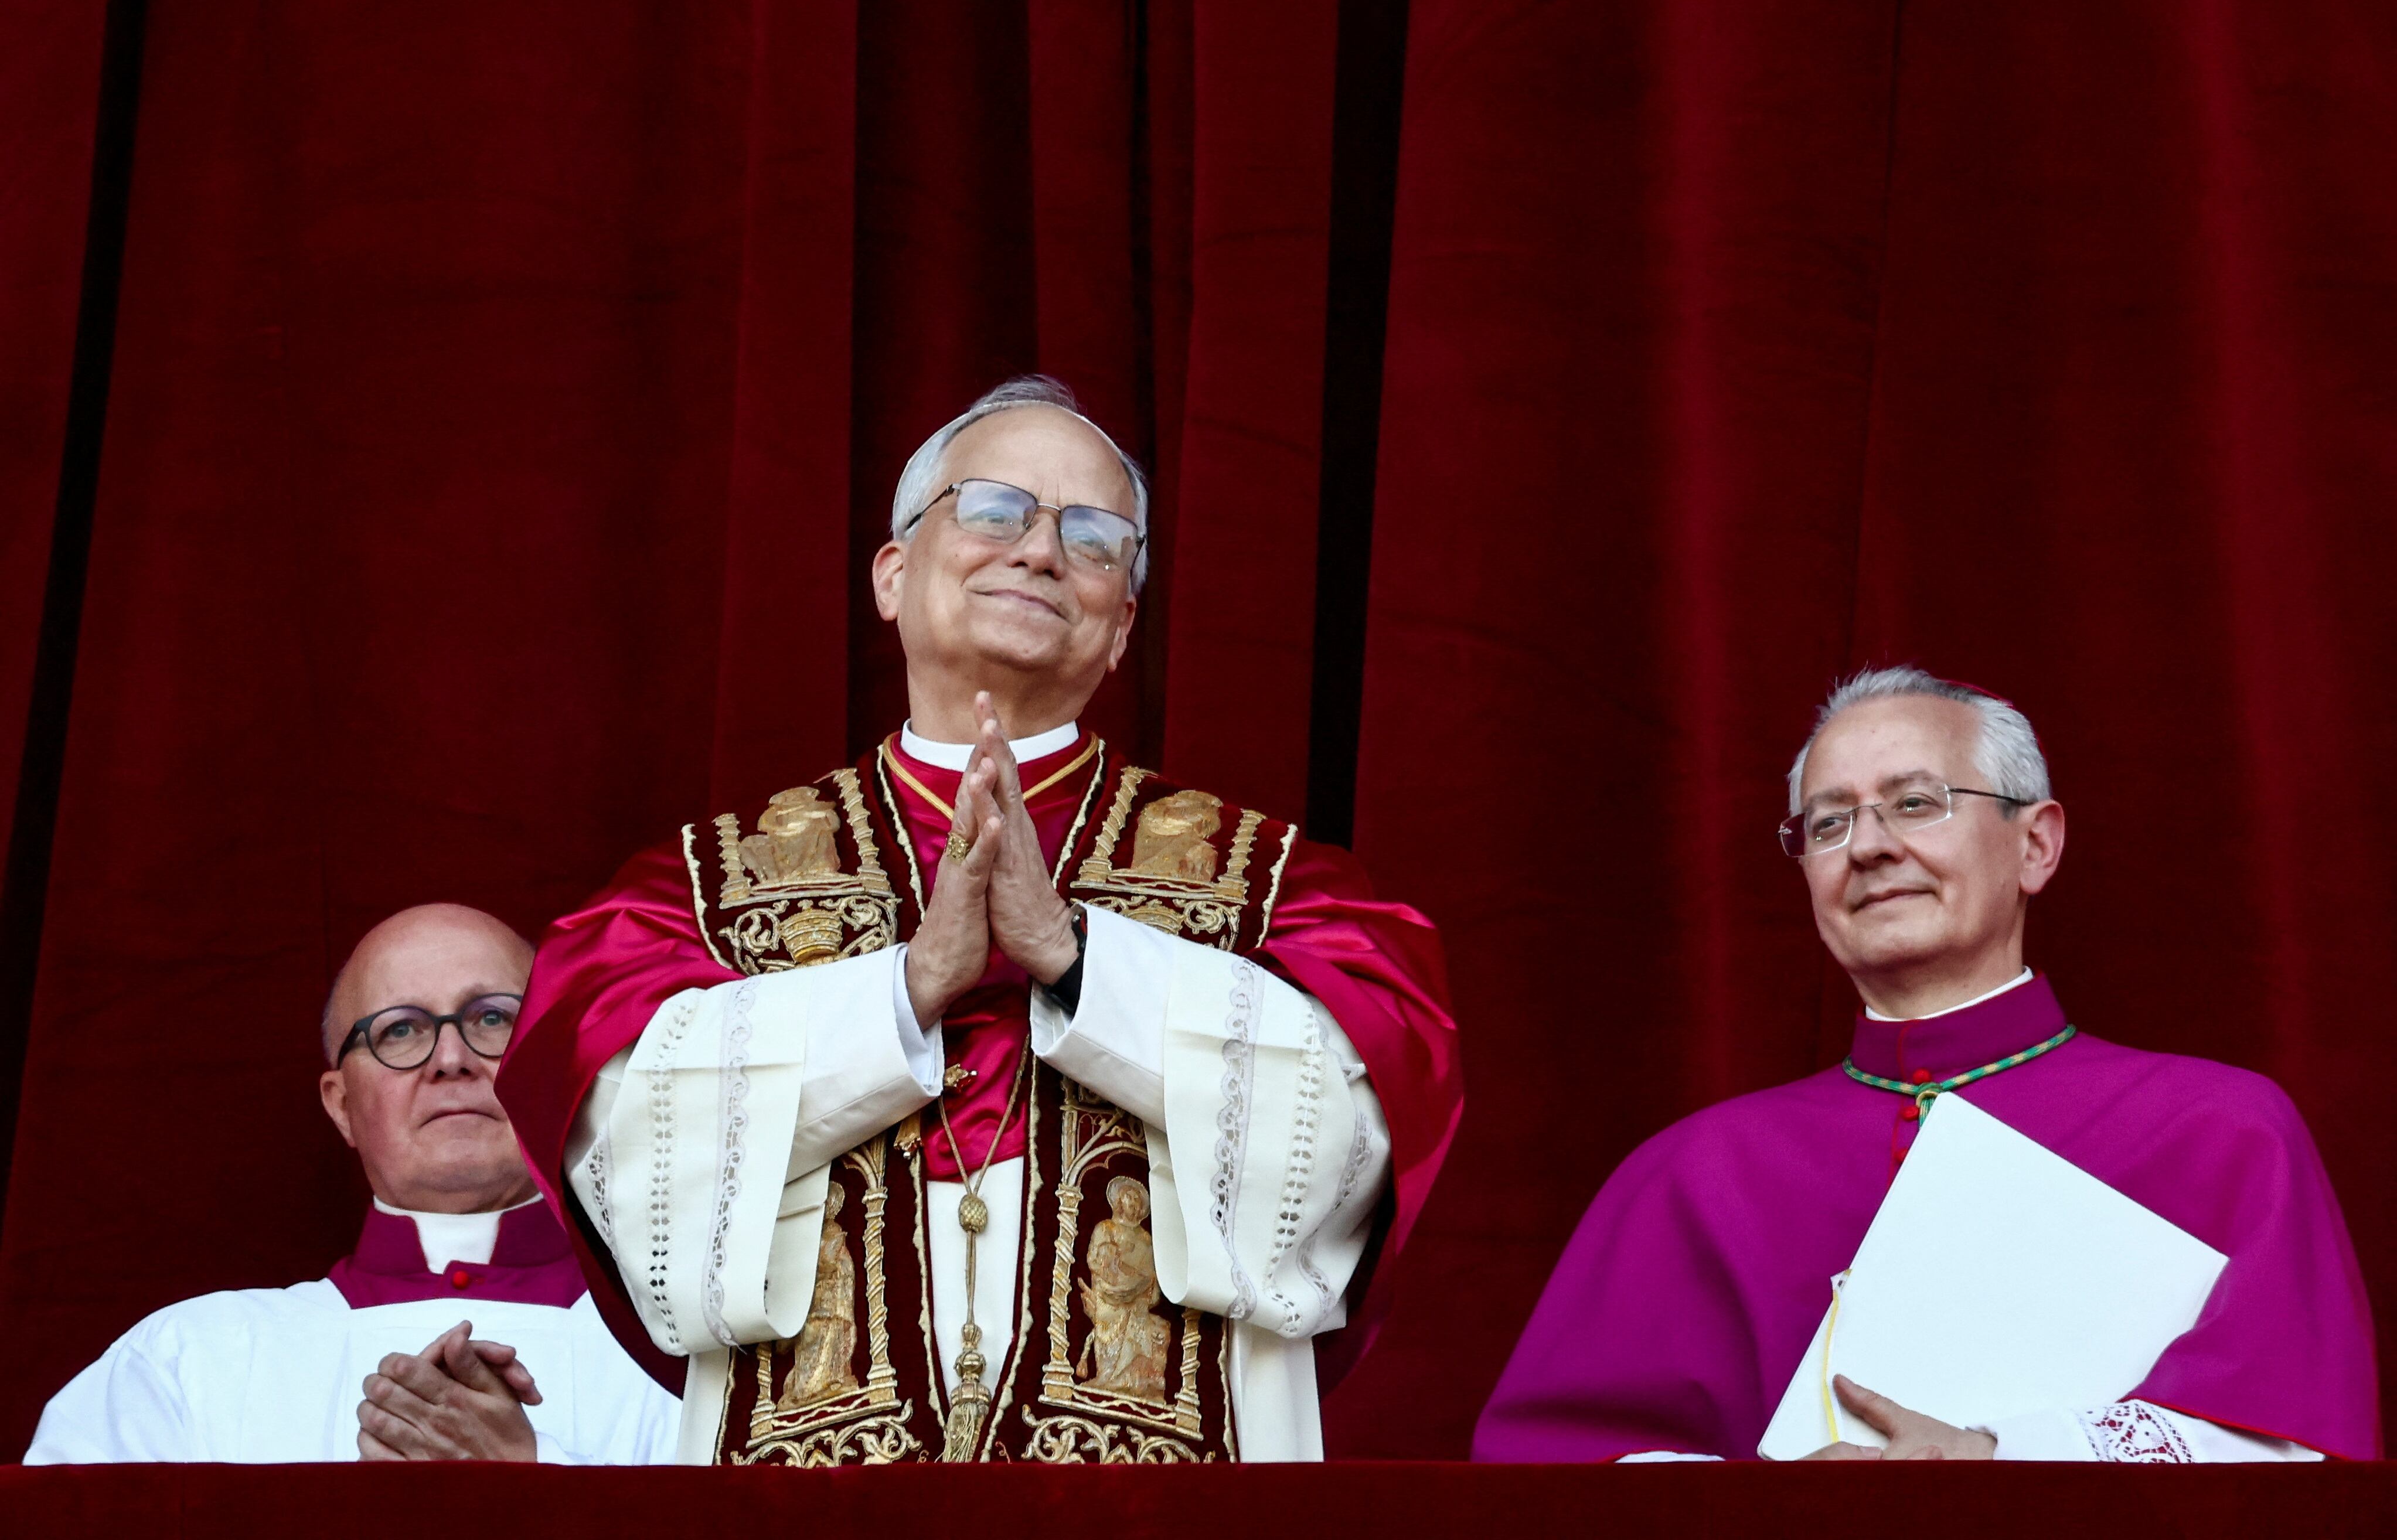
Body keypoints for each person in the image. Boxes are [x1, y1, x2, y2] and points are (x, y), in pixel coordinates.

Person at [500, 376, 1461, 1465]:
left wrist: (1075, 958)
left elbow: (1351, 1141)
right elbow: (622, 1148)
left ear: (1122, 628)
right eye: (996, 510)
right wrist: (906, 989)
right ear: (893, 575)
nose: (1042, 551)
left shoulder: (1278, 887)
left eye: (1096, 539)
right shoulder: (700, 891)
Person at [1474, 666, 2379, 1464]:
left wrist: (2003, 1458)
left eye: (1916, 802)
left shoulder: (2220, 1130)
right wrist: (1771, 1508)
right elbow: (1549, 1478)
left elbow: (2297, 1458)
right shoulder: (1689, 1173)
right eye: (1829, 822)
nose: (1867, 847)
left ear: (2035, 844)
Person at [25, 904, 679, 1464]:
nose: (450, 1061)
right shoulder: (182, 1364)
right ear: (340, 1105)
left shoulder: (692, 1362)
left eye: (491, 1019)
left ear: (556, 1066)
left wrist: (534, 1491)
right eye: (400, 1030)